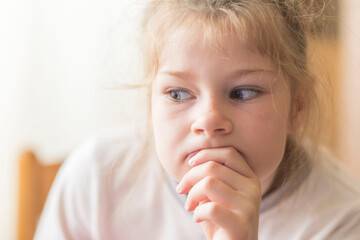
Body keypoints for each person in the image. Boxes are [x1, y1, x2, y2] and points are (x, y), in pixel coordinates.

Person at [35, 1, 360, 239]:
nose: (209, 121)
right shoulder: (97, 178)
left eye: (243, 93)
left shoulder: (340, 220)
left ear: (298, 106)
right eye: (177, 94)